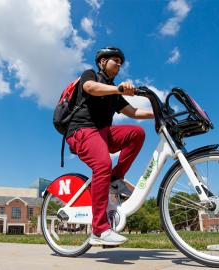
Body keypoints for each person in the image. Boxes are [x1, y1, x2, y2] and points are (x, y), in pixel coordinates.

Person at [66, 47, 154, 246]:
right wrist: (118, 89)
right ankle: (99, 230)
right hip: (81, 130)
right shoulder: (91, 75)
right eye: (115, 60)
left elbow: (133, 112)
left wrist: (157, 113)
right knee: (103, 164)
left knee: (136, 133)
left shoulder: (115, 92)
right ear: (102, 62)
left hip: (102, 133)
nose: (119, 64)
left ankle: (115, 178)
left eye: (121, 61)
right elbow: (90, 87)